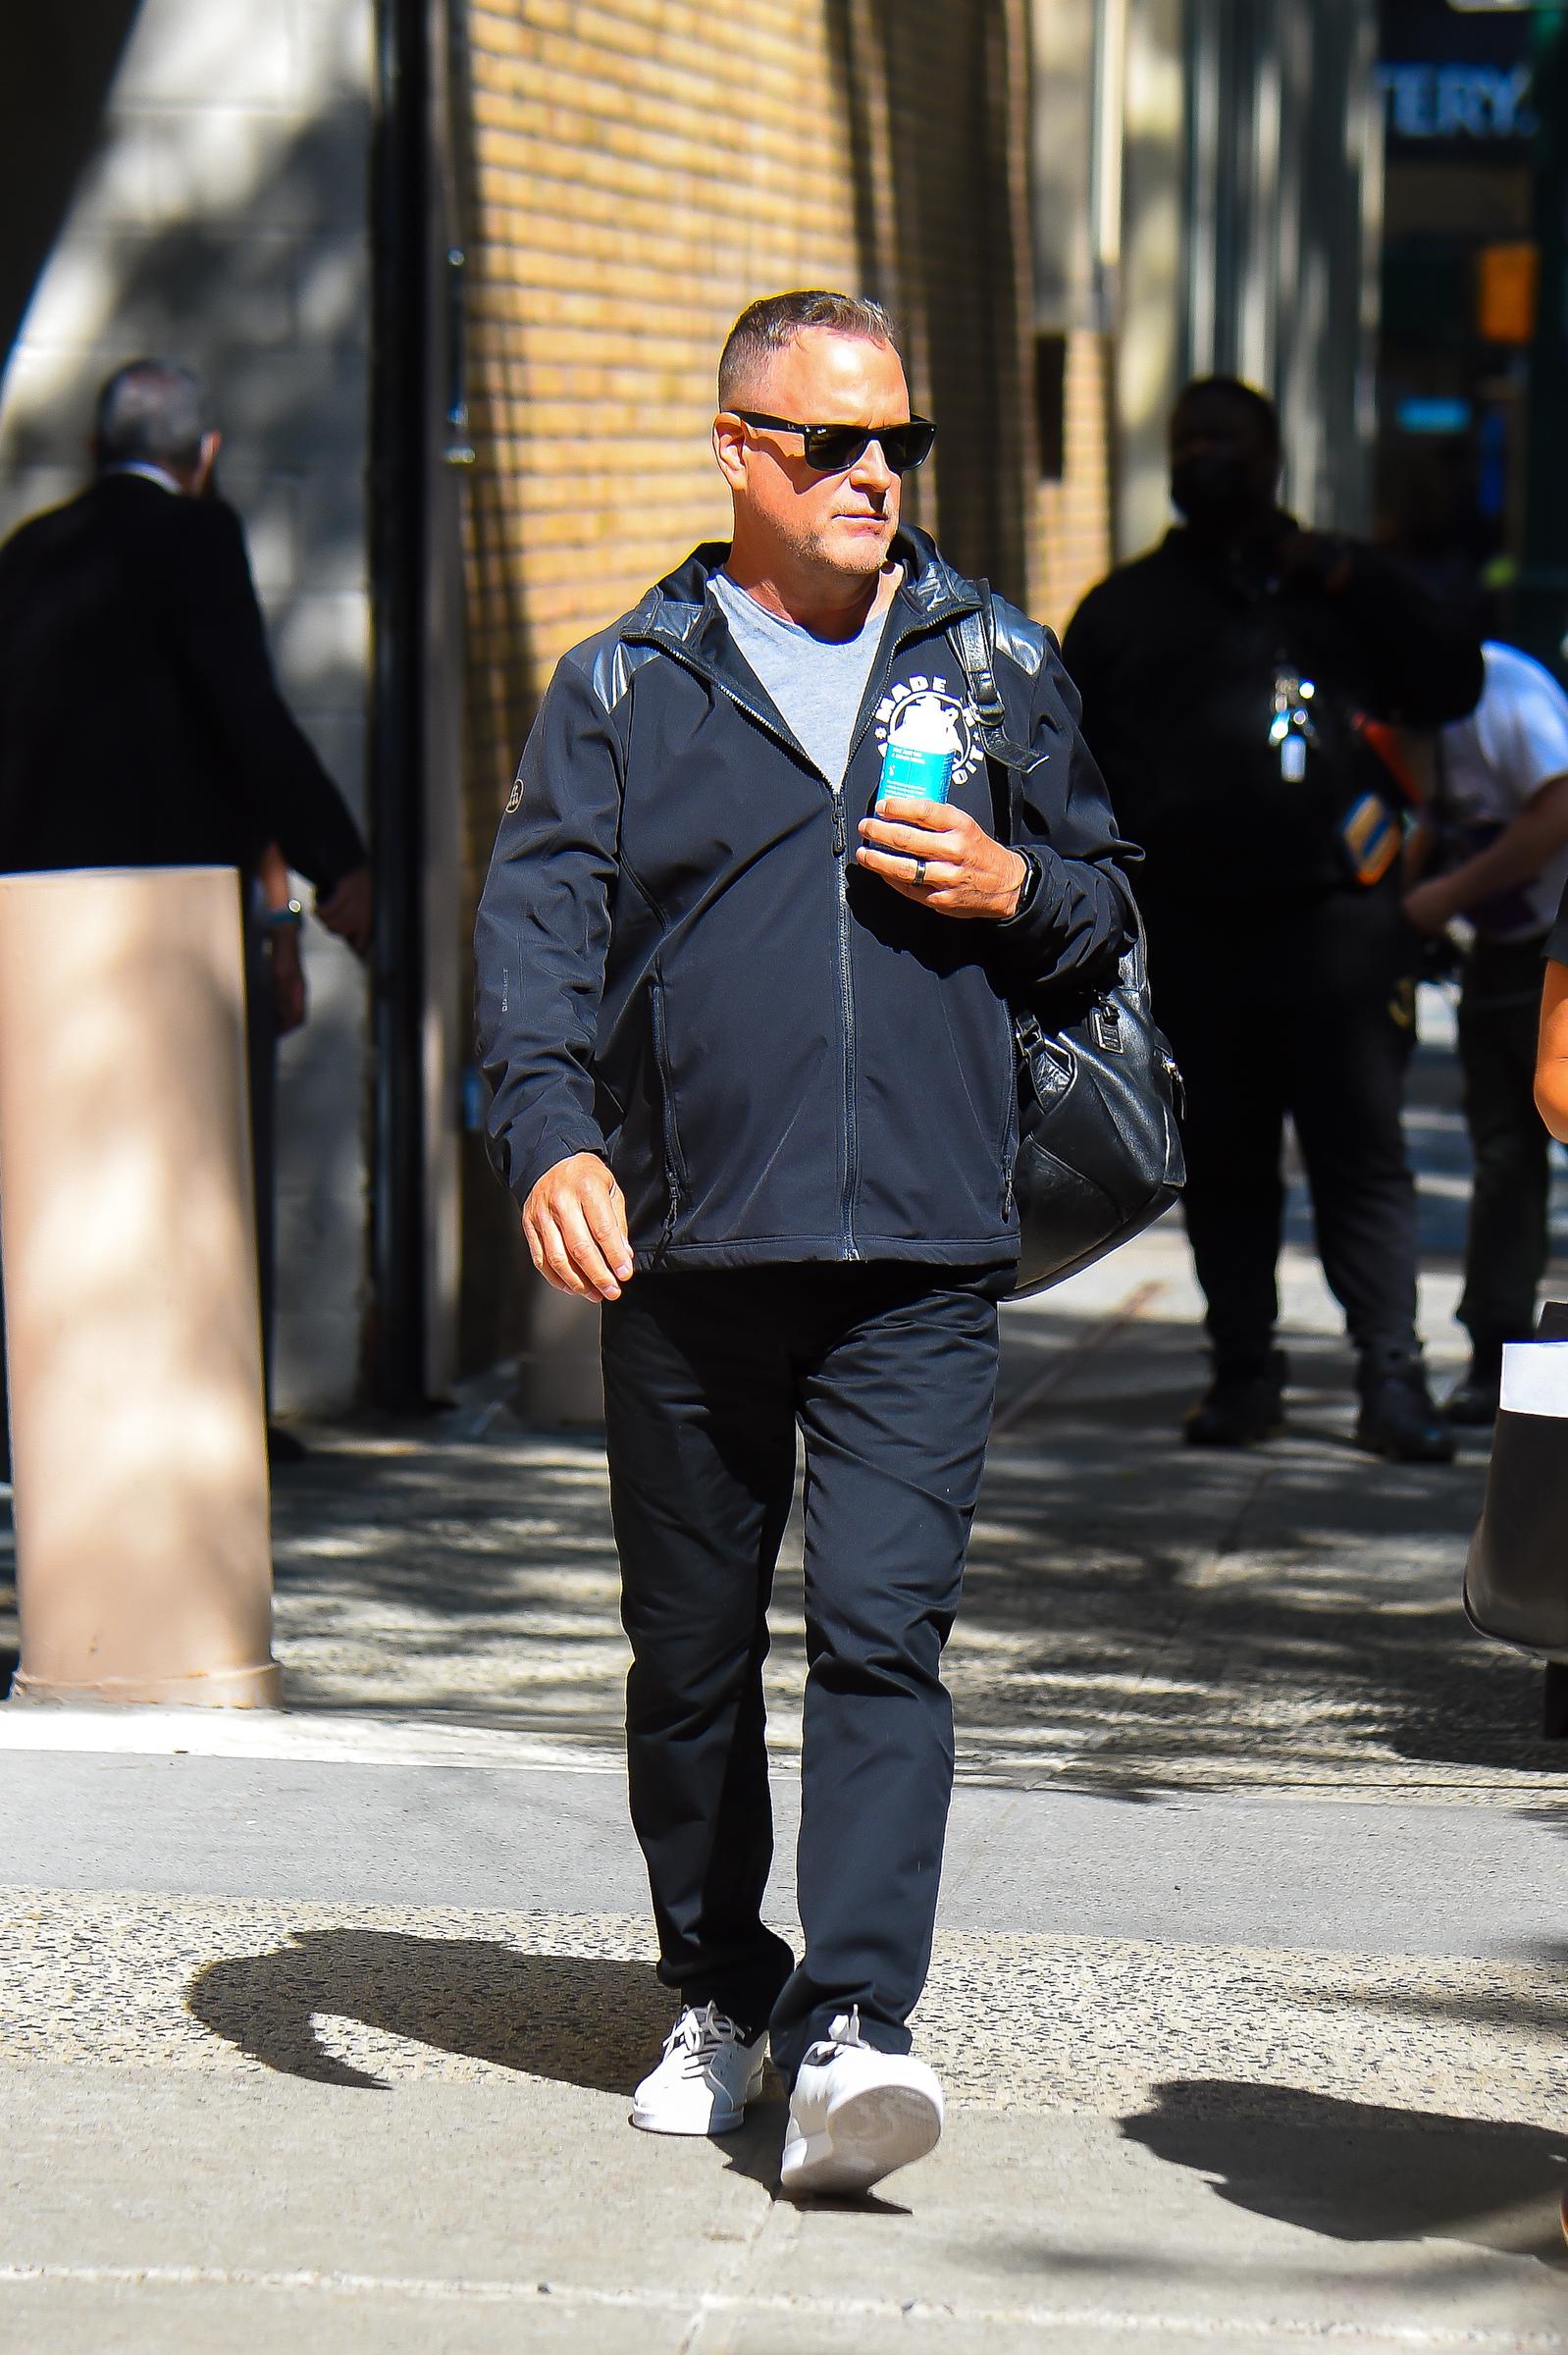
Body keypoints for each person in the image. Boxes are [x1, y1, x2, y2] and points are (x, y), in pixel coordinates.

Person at [475, 289, 1133, 2197]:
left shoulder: (994, 659)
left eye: (897, 446)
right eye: (834, 444)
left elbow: (1105, 899)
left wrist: (1027, 886)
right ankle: (716, 1987)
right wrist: (548, 1142)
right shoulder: (624, 684)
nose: (874, 477)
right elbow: (536, 954)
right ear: (737, 449)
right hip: (687, 1251)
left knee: (879, 1638)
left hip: (923, 1248)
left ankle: (853, 2021)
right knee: (687, 1655)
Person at [1062, 375, 1484, 1463]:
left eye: (1227, 442)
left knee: (1361, 1156)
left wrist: (1348, 577)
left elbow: (1450, 678)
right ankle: (1240, 1370)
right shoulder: (1126, 607)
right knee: (1226, 1162)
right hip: (1195, 933)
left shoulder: (1337, 588)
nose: (1205, 457)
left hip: (1338, 929)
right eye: (1186, 439)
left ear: (1271, 458)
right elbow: (1069, 770)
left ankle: (1390, 1374)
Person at [0, 359, 372, 1451]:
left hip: (37, 926)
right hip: (168, 926)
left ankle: (55, 1421)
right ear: (202, 456)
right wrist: (332, 858)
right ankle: (205, 1418)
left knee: (58, 1167)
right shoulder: (200, 537)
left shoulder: (25, 555)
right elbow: (241, 712)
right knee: (198, 1165)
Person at [1401, 643, 1568, 1424]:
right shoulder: (1398, 724)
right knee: (1504, 1151)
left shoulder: (1508, 698)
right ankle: (1496, 1350)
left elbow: (1558, 803)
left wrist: (1449, 895)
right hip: (1502, 956)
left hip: (1550, 940)